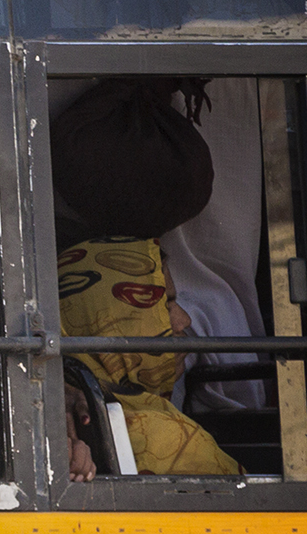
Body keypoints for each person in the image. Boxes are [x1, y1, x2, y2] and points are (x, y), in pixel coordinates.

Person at [51, 78, 245, 478]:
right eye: (166, 303)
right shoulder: (164, 437)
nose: (185, 321)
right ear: (124, 316)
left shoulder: (79, 414)